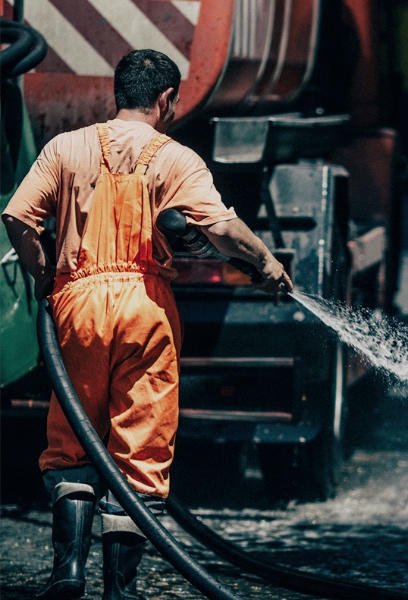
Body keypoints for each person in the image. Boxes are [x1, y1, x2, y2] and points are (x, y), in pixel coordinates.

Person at [2, 48, 293, 600]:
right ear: (165, 99)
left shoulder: (65, 147)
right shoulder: (175, 158)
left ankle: (67, 573)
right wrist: (265, 263)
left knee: (71, 443)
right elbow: (221, 229)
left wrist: (44, 277)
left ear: (119, 93)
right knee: (139, 450)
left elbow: (18, 215)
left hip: (75, 306)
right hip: (145, 309)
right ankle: (121, 588)